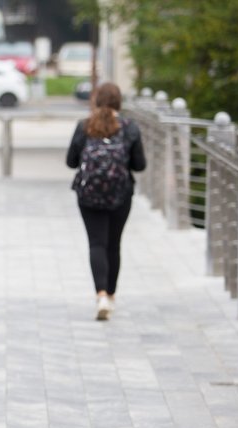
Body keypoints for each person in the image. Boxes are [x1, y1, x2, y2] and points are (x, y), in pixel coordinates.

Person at [66, 82, 146, 320]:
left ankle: (100, 294)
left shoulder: (84, 126)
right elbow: (140, 165)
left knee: (96, 243)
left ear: (96, 101)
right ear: (119, 102)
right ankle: (110, 296)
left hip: (89, 195)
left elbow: (71, 162)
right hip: (121, 194)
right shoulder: (130, 127)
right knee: (114, 244)